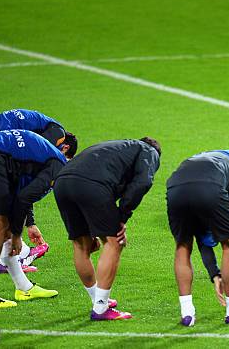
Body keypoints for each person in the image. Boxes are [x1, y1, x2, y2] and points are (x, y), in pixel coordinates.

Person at [53, 137, 161, 321]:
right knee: (115, 242)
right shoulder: (149, 151)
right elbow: (143, 183)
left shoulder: (117, 146)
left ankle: (98, 299)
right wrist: (122, 217)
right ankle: (101, 309)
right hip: (92, 185)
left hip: (62, 182)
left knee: (81, 245)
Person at [0, 129, 68, 309]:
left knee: (5, 228)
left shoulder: (46, 158)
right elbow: (25, 198)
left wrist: (27, 225)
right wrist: (18, 236)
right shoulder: (58, 168)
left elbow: (20, 196)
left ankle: (24, 288)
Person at [0, 108, 78, 273]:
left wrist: (30, 223)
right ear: (65, 147)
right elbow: (28, 174)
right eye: (65, 159)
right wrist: (30, 222)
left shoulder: (46, 128)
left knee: (0, 206)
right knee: (4, 207)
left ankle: (7, 257)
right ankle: (9, 259)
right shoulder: (56, 134)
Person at [166, 150, 229, 326]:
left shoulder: (200, 158)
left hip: (175, 188)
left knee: (183, 246)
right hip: (208, 184)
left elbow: (201, 235)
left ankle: (187, 314)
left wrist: (215, 274)